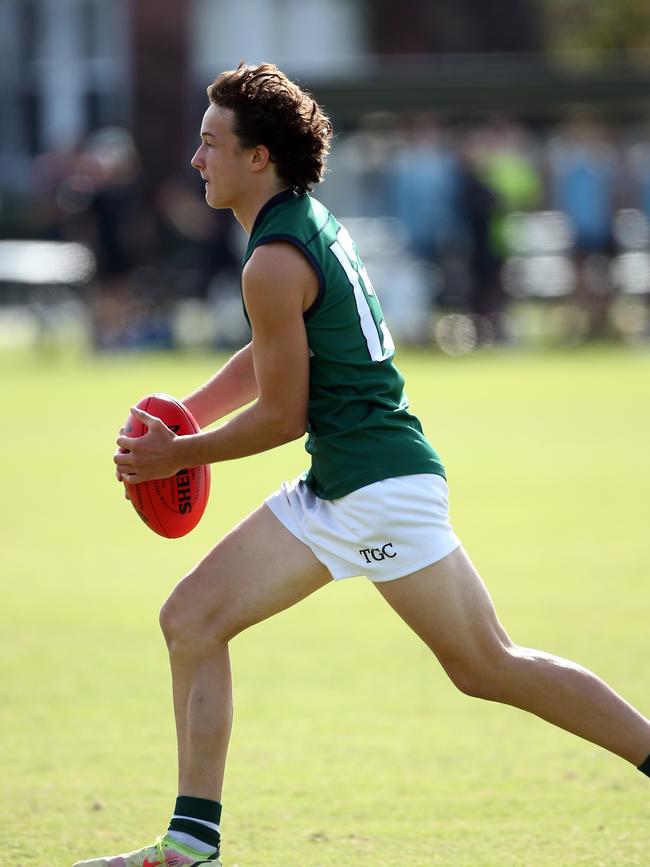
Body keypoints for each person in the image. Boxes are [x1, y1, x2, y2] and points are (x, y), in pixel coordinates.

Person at [74, 64, 650, 867]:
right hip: (347, 482)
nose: (197, 159)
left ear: (259, 157)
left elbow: (283, 410)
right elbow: (271, 351)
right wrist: (188, 415)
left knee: (487, 665)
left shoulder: (272, 261)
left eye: (211, 144)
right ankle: (189, 842)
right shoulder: (296, 225)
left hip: (376, 488)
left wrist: (180, 451)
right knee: (193, 619)